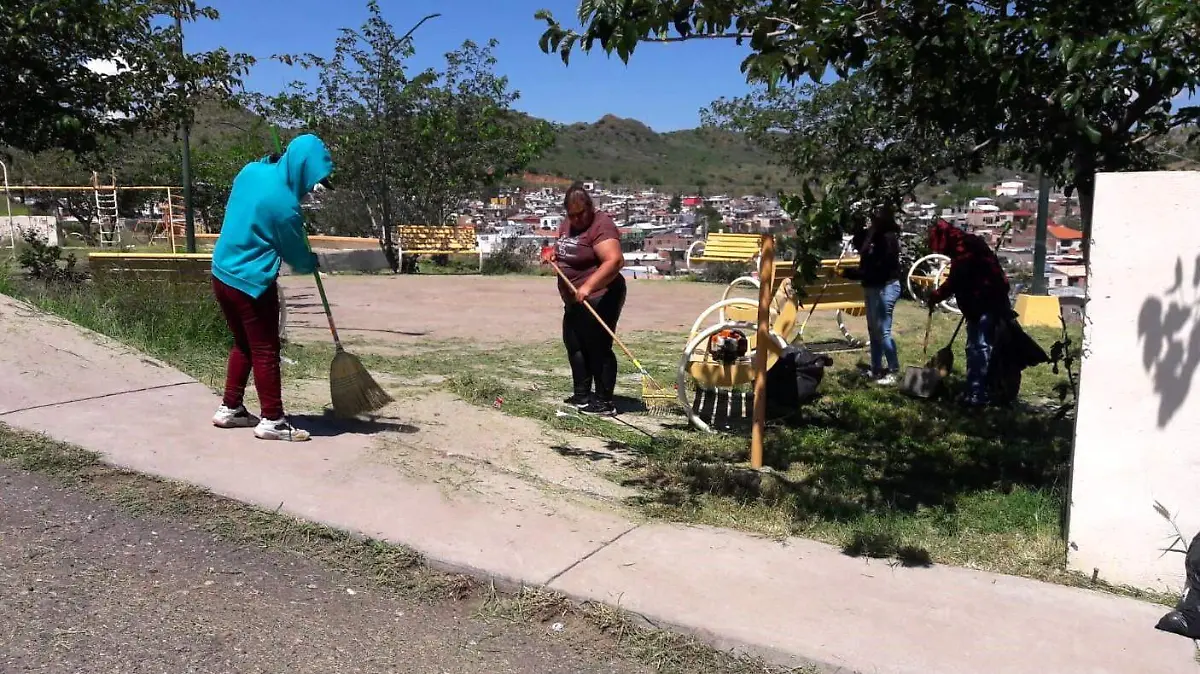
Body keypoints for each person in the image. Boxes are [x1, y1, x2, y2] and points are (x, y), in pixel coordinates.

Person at [209, 133, 333, 441]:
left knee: (243, 343)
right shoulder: (286, 207)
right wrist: (310, 261)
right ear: (302, 171)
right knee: (266, 349)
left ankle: (231, 409)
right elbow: (297, 258)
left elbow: (266, 167)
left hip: (221, 273)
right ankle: (273, 420)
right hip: (251, 283)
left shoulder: (251, 171)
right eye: (311, 181)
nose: (310, 189)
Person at [545, 182, 627, 416]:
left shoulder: (602, 225)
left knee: (598, 347)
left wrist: (589, 286)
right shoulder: (567, 224)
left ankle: (604, 402)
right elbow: (566, 249)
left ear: (590, 207)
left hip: (602, 295)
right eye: (571, 215)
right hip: (574, 300)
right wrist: (553, 254)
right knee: (575, 344)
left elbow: (614, 261)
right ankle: (582, 396)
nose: (576, 219)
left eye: (580, 214)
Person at [927, 219, 1012, 407]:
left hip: (986, 303)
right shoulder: (967, 244)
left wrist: (936, 296)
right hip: (979, 303)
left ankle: (977, 394)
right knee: (977, 347)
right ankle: (978, 389)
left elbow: (955, 281)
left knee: (978, 348)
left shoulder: (964, 250)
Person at [843, 207, 903, 385]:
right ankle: (876, 369)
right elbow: (859, 243)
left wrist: (850, 273)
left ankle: (893, 370)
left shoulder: (887, 239)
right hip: (871, 287)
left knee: (882, 331)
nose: (873, 219)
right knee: (873, 330)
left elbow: (877, 270)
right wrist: (864, 229)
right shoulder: (871, 235)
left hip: (885, 287)